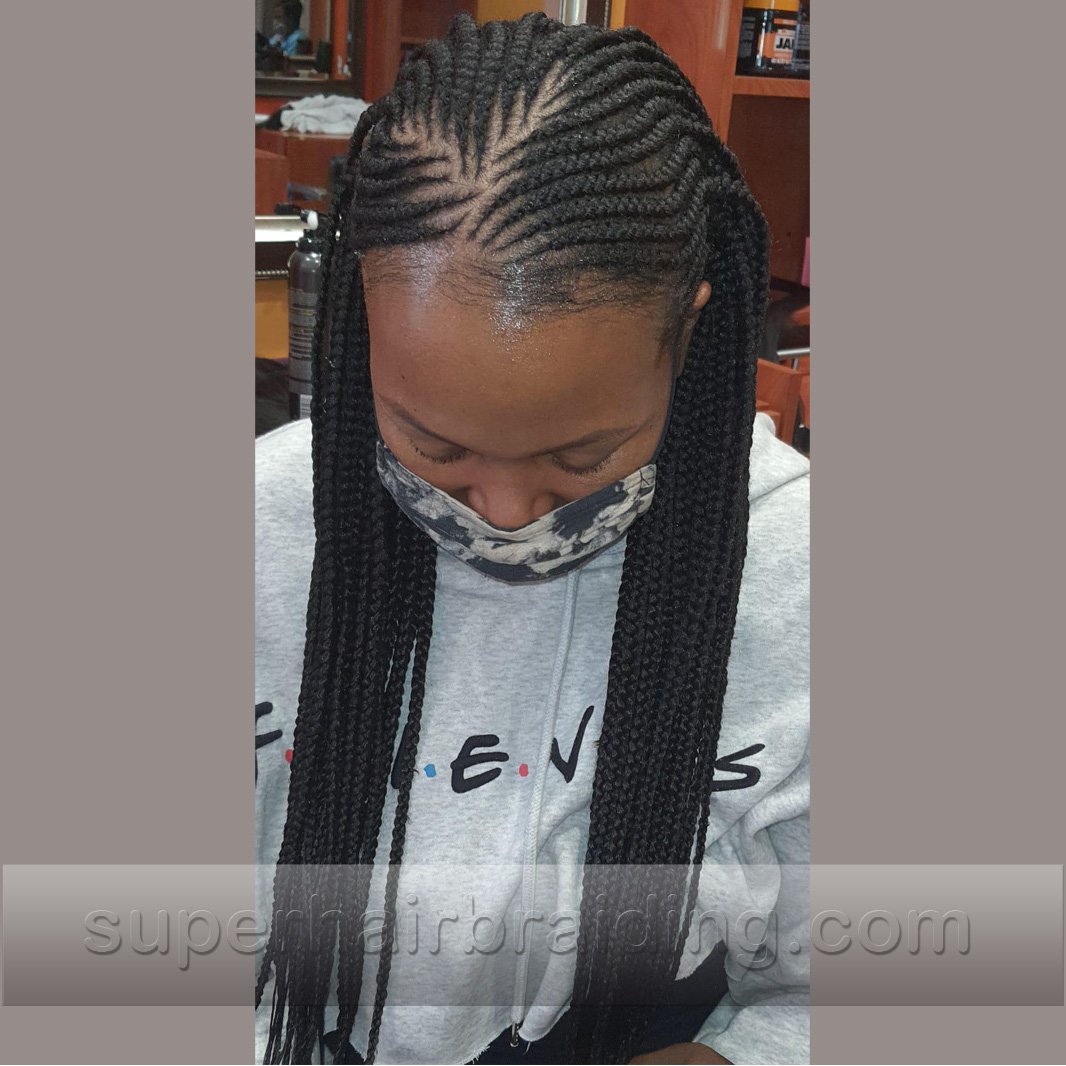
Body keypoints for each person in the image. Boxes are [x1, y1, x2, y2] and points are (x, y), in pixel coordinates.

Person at [254, 12, 809, 1065]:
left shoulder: (803, 575)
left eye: (581, 454)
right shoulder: (249, 534)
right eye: (435, 444)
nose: (505, 515)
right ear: (361, 316)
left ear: (689, 330)